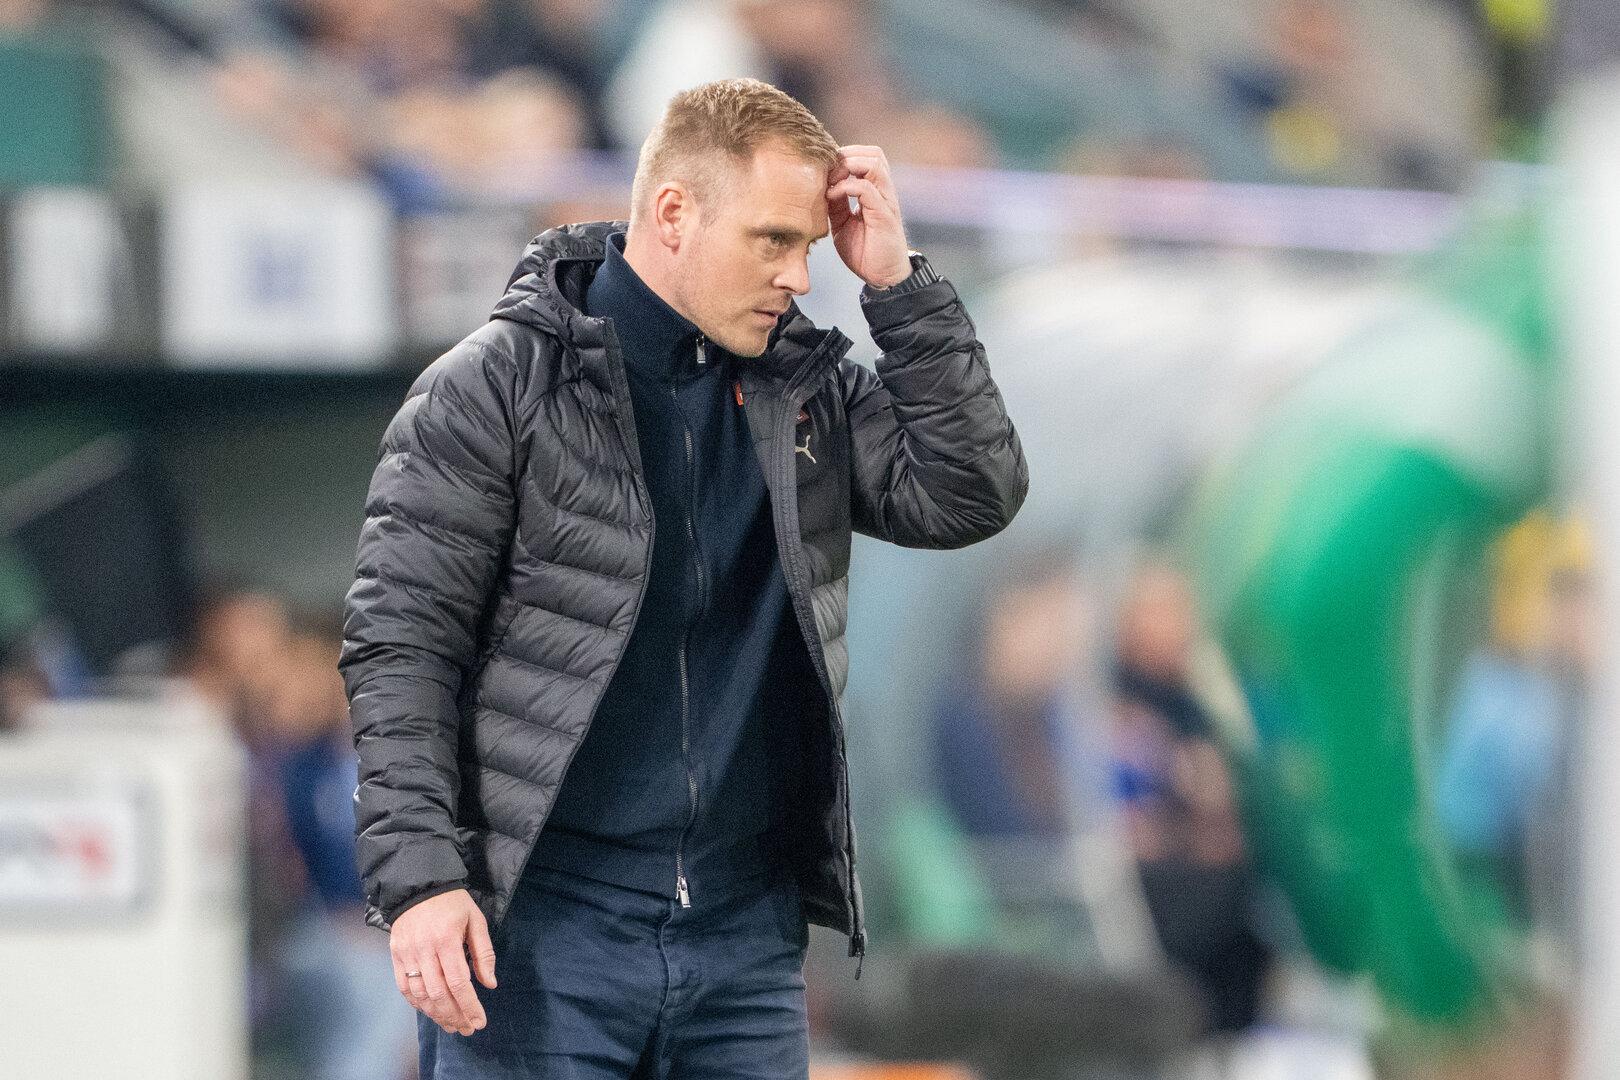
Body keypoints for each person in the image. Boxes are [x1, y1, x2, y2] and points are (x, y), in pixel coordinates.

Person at [339, 77, 1028, 1078]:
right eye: (772, 240)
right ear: (672, 212)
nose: (799, 274)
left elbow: (971, 493)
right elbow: (401, 651)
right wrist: (420, 881)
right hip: (538, 937)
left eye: (808, 244)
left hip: (744, 943)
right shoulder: (490, 389)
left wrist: (899, 286)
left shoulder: (806, 388)